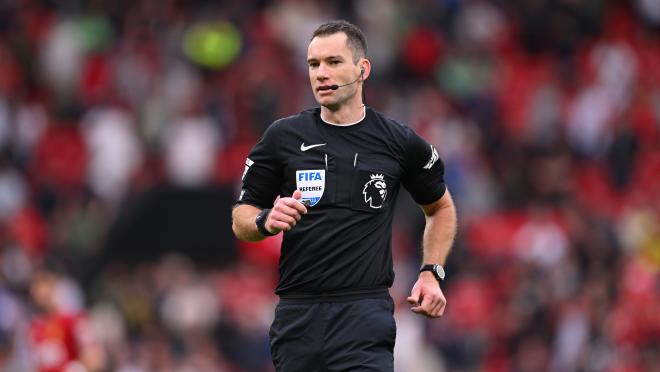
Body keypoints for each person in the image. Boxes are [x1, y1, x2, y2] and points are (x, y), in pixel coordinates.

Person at [232, 19, 457, 372]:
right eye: (313, 64)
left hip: (363, 315)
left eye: (333, 62)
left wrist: (432, 272)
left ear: (362, 68)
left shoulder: (397, 142)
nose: (321, 73)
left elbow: (440, 207)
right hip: (298, 316)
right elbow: (241, 218)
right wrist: (264, 220)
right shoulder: (282, 137)